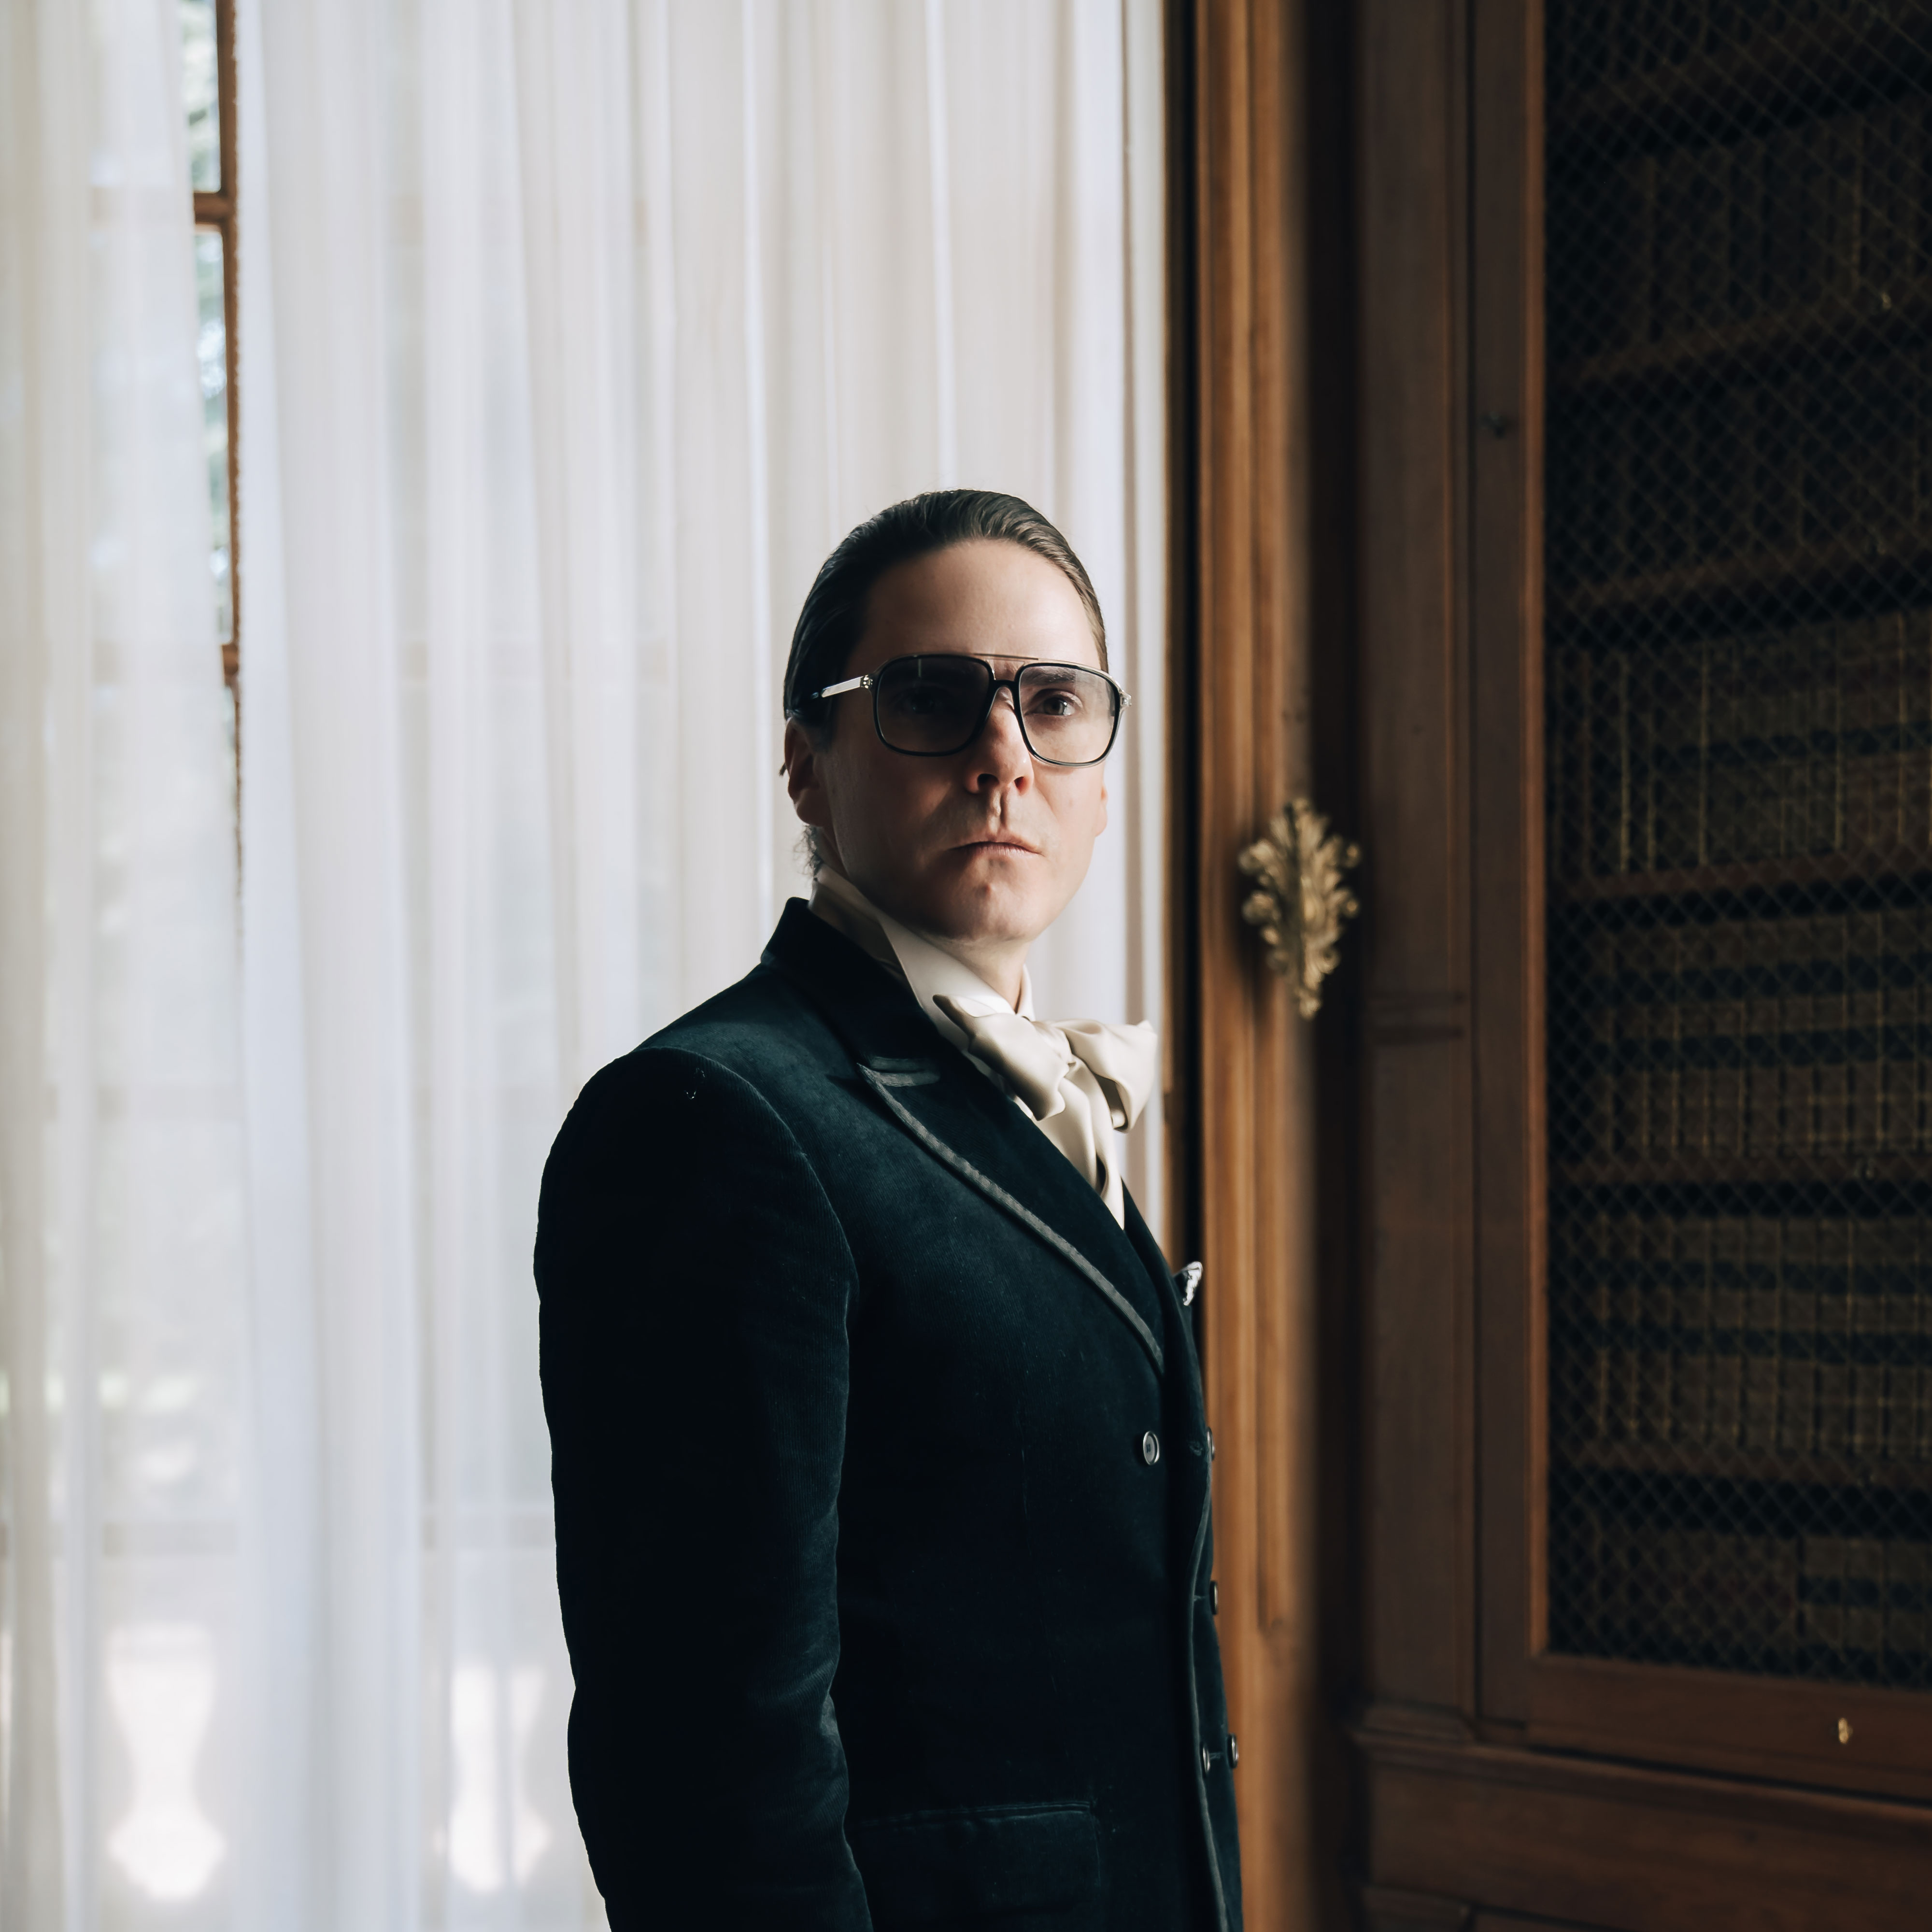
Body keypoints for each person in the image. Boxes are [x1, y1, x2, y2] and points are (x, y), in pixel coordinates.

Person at [535, 490, 1243, 1931]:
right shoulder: (711, 1119)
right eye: (932, 697)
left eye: (1054, 703)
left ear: (1103, 780)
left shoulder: (1026, 1106)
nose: (1005, 757)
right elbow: (707, 1764)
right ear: (807, 766)